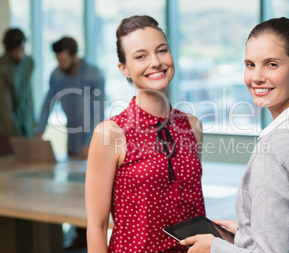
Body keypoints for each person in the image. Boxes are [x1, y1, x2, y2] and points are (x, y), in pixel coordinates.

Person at [181, 17, 289, 252]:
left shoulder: (273, 151)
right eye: (250, 64)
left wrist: (215, 247)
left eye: (271, 64)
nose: (256, 77)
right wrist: (246, 235)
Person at [85, 15, 206, 252]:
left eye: (161, 50)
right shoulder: (110, 133)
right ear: (124, 69)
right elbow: (97, 226)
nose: (156, 62)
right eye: (140, 56)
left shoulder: (192, 126)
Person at [36, 36, 105, 160]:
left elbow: (98, 114)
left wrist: (89, 143)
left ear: (75, 55)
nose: (60, 65)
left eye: (63, 60)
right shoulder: (57, 75)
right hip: (71, 142)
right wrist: (40, 131)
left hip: (92, 142)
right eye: (58, 60)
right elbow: (48, 104)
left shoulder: (93, 74)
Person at [0, 28, 35, 156]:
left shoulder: (29, 62)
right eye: (16, 51)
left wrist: (32, 127)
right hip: (6, 131)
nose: (20, 54)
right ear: (8, 50)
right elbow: (3, 107)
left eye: (22, 49)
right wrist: (19, 137)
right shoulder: (0, 68)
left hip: (27, 129)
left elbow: (28, 98)